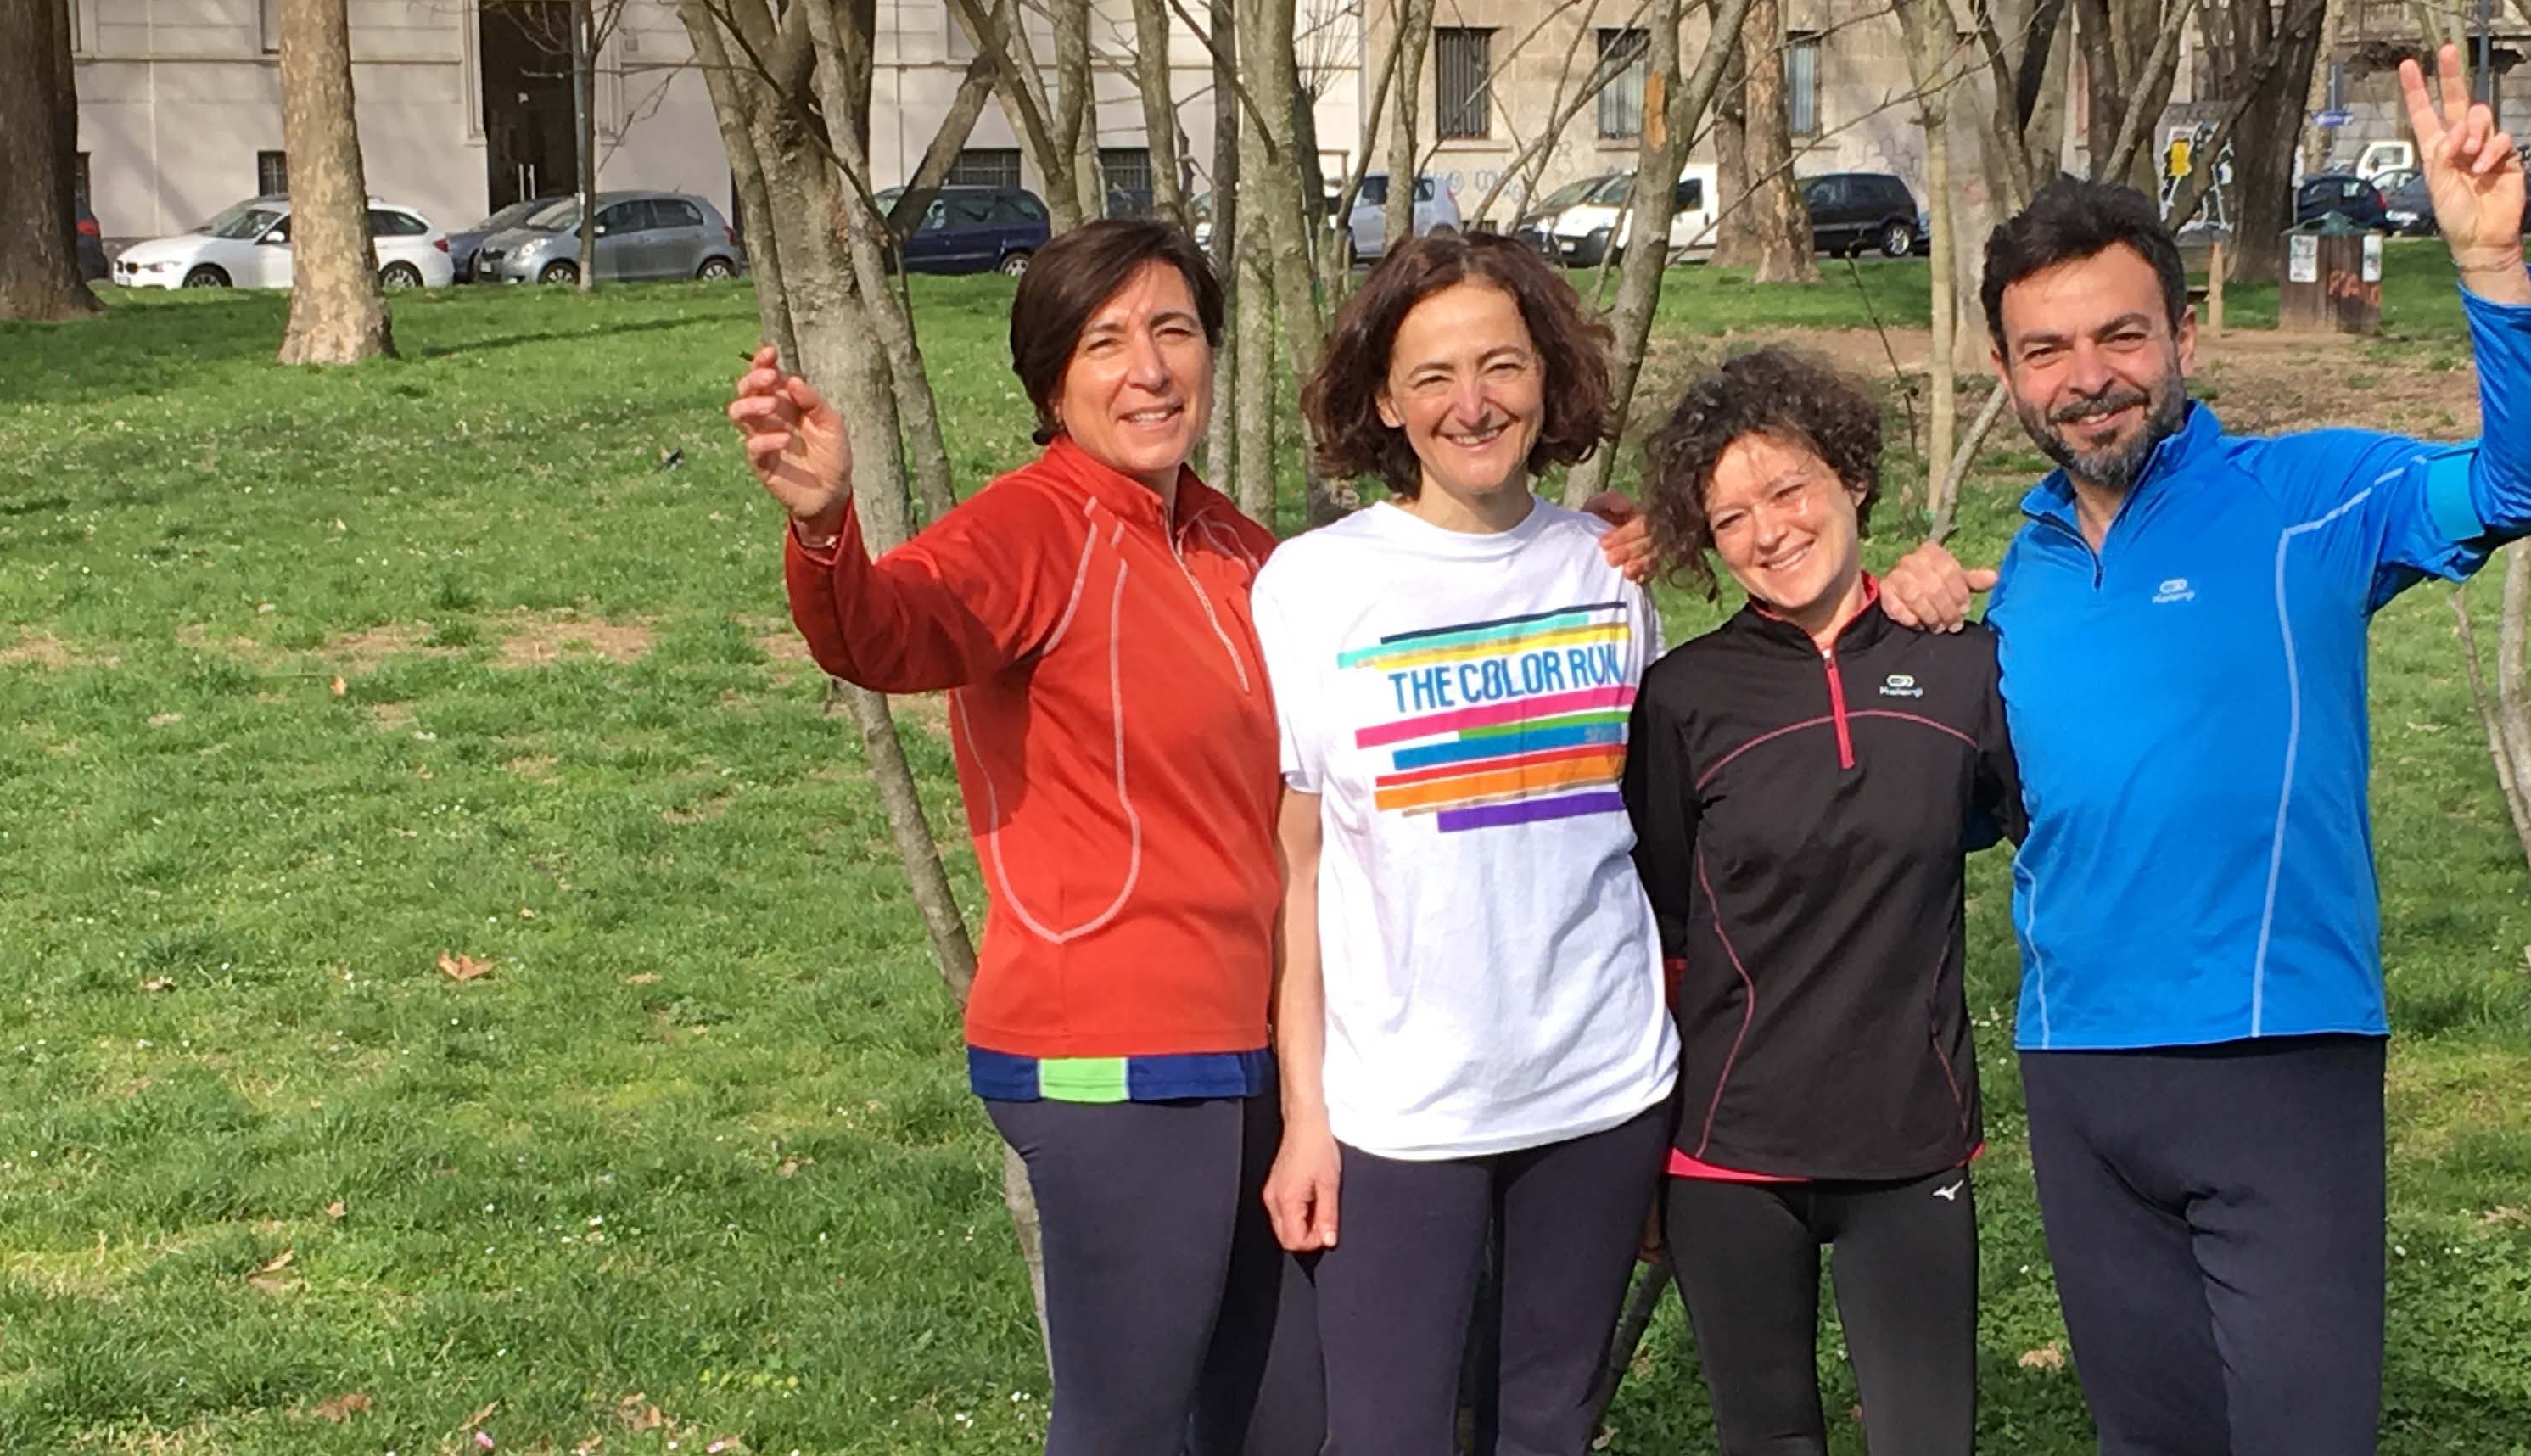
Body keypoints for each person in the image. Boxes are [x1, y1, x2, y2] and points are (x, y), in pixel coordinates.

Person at [1873, 48, 2531, 1456]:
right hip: (2077, 1072)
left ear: (2184, 334)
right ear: (2007, 370)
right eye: (2048, 351)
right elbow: (1958, 811)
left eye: (2120, 338)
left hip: (2279, 1060)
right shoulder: (2000, 575)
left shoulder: (2309, 499)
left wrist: (2493, 268)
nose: (2090, 381)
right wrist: (1906, 652)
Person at [725, 220, 1319, 1456]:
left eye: (1174, 332)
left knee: (1285, 1423)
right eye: (1106, 343)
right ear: (1053, 381)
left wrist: (1557, 547)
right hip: (1110, 1056)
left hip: (1266, 1053)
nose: (1148, 369)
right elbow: (890, 633)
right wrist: (829, 530)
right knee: (1127, 1425)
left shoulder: (1240, 549)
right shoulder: (1030, 529)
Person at [1251, 232, 1682, 1456]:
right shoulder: (1313, 585)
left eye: (1502, 364)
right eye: (1433, 375)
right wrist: (1307, 1114)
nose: (1472, 402)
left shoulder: (1606, 571)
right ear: (1386, 398)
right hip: (1401, 1110)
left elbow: (1647, 834)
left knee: (1547, 1427)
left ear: (1547, 377)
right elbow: (1301, 871)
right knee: (1384, 1434)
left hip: (1600, 1090)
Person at [1621, 347, 2022, 1456]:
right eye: (1731, 514)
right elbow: (1656, 937)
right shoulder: (1683, 698)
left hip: (1911, 1137)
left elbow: (2052, 827)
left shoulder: (1965, 669)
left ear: (1849, 477)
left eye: (1788, 489)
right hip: (1729, 1151)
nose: (1770, 531)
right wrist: (1645, 1156)